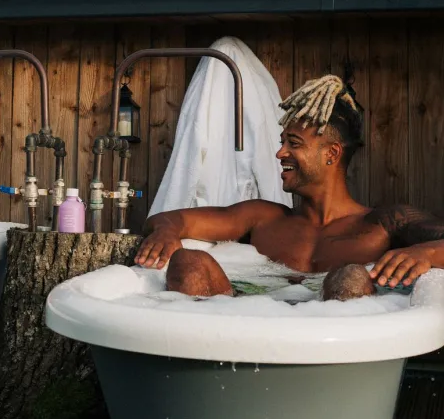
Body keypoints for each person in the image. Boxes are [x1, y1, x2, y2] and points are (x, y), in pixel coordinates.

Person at [135, 74, 444, 300]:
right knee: (189, 261)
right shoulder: (263, 217)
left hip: (333, 348)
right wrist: (166, 232)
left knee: (349, 276)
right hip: (242, 332)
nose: (280, 153)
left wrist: (425, 252)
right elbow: (171, 219)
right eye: (282, 142)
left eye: (293, 144)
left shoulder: (386, 222)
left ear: (331, 154)